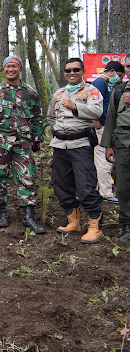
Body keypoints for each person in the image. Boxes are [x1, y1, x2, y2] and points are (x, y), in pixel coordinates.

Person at [0, 55, 45, 233]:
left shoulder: (30, 91)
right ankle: (2, 213)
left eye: (15, 66)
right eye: (8, 66)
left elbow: (38, 117)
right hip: (0, 141)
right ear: (4, 69)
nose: (11, 69)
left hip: (23, 142)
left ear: (20, 69)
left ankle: (28, 217)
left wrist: (37, 139)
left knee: (27, 177)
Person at [48, 57, 104, 243]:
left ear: (83, 72)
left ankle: (95, 227)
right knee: (61, 184)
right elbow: (50, 116)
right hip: (60, 145)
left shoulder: (91, 91)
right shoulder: (59, 93)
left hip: (80, 144)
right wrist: (57, 129)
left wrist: (75, 107)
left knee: (85, 185)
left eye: (76, 70)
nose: (72, 73)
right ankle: (74, 222)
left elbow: (97, 112)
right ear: (64, 73)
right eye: (68, 70)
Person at [102, 53, 130, 243]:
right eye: (128, 66)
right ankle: (127, 225)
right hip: (123, 142)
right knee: (123, 185)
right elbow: (111, 118)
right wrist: (108, 145)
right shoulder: (119, 90)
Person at [91, 61, 124, 202]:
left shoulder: (107, 85)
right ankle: (105, 192)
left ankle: (101, 189)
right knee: (103, 159)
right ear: (111, 71)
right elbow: (93, 103)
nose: (120, 79)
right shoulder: (99, 83)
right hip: (101, 127)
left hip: (107, 126)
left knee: (106, 159)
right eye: (119, 75)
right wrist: (95, 118)